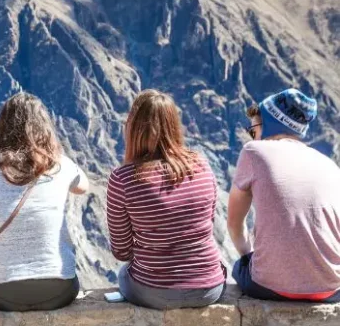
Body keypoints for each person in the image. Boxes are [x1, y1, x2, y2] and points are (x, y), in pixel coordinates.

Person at [0, 93, 89, 312]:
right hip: (59, 289)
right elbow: (83, 186)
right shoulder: (61, 166)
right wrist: (55, 155)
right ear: (45, 127)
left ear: (1, 128)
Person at [106, 90, 226, 310]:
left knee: (124, 273)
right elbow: (209, 225)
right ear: (174, 125)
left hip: (156, 291)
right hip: (210, 288)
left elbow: (121, 251)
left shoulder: (123, 179)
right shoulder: (202, 165)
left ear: (133, 128)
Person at [228, 89, 340, 303]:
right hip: (331, 290)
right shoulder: (330, 165)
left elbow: (234, 225)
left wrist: (248, 257)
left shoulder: (254, 152)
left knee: (239, 267)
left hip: (273, 287)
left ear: (268, 124)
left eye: (253, 130)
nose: (253, 136)